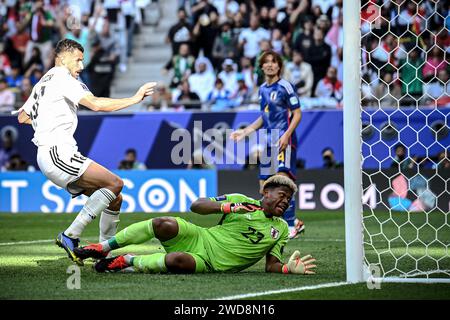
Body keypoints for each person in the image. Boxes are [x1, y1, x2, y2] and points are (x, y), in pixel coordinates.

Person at [16, 39, 156, 265]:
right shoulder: (62, 77)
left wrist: (45, 113)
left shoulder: (43, 82)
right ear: (62, 58)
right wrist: (135, 98)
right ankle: (70, 235)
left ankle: (104, 255)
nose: (81, 67)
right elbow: (97, 105)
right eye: (78, 60)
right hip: (57, 152)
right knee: (116, 183)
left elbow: (22, 117)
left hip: (53, 153)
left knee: (114, 200)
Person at [73, 175, 317, 275]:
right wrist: (228, 207)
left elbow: (271, 265)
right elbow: (196, 205)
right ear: (266, 192)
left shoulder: (281, 228)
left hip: (211, 263)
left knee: (177, 261)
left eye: (289, 199)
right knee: (163, 223)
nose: (285, 202)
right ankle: (104, 247)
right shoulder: (240, 201)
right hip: (200, 237)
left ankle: (127, 261)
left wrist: (287, 269)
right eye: (282, 195)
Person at [230, 50, 304, 239]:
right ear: (261, 66)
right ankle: (293, 222)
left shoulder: (285, 86)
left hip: (283, 140)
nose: (270, 65)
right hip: (268, 142)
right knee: (264, 186)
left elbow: (297, 113)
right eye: (266, 62)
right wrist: (245, 131)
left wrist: (287, 135)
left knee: (282, 180)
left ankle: (289, 225)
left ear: (279, 66)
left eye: (274, 62)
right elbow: (264, 118)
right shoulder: (262, 89)